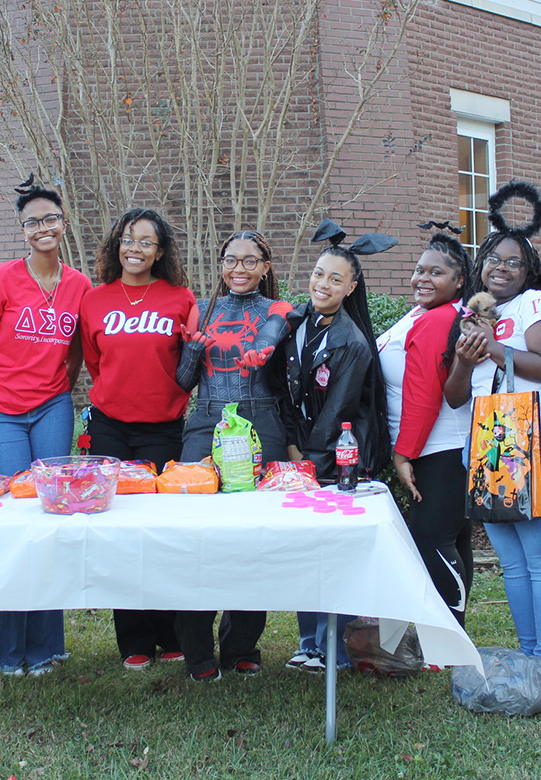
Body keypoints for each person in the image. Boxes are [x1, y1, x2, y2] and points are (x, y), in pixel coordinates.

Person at [444, 183, 541, 699]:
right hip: (494, 442)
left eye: (513, 262)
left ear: (528, 271)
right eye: (493, 260)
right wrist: (467, 358)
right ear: (480, 267)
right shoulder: (473, 314)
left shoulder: (540, 304)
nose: (501, 269)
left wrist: (494, 346)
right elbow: (455, 395)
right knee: (511, 558)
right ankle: (530, 656)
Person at [0, 175, 91, 676]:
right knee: (15, 518)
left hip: (51, 407)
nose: (42, 227)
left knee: (52, 514)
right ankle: (5, 650)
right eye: (31, 222)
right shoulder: (1, 278)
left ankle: (46, 644)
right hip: (2, 408)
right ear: (22, 231)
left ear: (63, 224)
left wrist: (55, 390)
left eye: (49, 218)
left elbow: (77, 354)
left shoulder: (79, 285)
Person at [173, 229, 292, 681]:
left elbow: (275, 332)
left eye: (249, 261)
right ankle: (197, 650)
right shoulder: (202, 309)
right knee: (195, 533)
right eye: (230, 260)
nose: (238, 269)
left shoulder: (277, 311)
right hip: (206, 419)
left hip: (260, 419)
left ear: (266, 267)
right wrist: (192, 350)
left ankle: (242, 644)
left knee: (254, 536)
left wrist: (264, 345)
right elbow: (184, 382)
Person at [79, 207, 195, 672]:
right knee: (118, 532)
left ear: (160, 251)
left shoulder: (181, 298)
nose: (135, 248)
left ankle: (169, 633)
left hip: (162, 427)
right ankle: (133, 638)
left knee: (158, 531)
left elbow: (188, 363)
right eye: (128, 239)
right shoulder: (95, 299)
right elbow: (94, 361)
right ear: (116, 245)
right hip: (109, 426)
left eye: (146, 241)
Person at [278, 219, 393, 673]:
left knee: (334, 555)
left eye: (335, 279)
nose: (322, 284)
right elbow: (285, 392)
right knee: (306, 554)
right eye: (318, 274)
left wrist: (307, 461)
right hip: (300, 454)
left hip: (337, 459)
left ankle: (337, 649)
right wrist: (289, 445)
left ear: (351, 287)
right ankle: (310, 642)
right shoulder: (296, 322)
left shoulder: (351, 342)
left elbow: (337, 412)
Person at [379, 228, 474, 630]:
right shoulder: (424, 313)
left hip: (441, 449)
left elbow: (423, 394)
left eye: (436, 273)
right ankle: (454, 631)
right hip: (438, 447)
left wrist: (403, 453)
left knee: (430, 540)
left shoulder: (440, 319)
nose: (422, 278)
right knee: (452, 539)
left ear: (459, 281)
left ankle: (447, 631)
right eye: (419, 270)